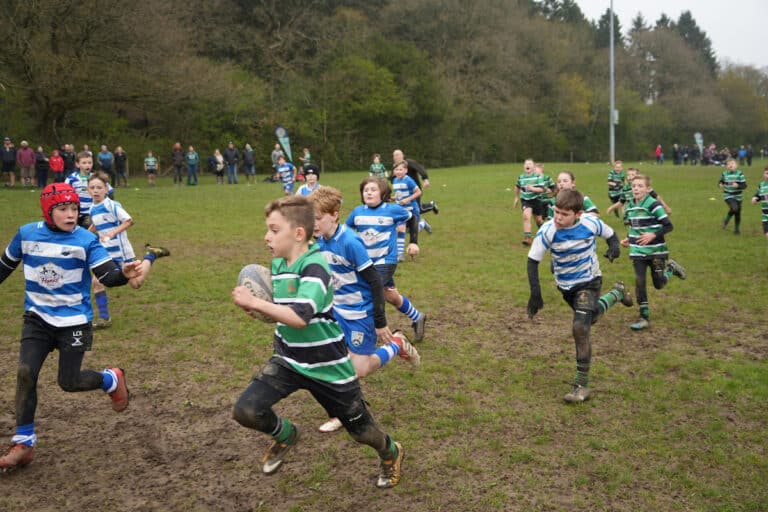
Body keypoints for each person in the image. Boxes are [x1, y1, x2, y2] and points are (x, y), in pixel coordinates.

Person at [230, 195, 405, 489]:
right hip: (288, 360)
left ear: (298, 233)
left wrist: (258, 305)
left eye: (274, 230)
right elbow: (283, 312)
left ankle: (391, 451)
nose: (266, 237)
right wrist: (257, 308)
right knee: (246, 410)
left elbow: (300, 316)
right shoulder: (277, 264)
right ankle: (286, 435)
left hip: (329, 367)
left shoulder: (316, 267)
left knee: (362, 432)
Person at [0, 183, 140, 471]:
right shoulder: (26, 235)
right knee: (25, 374)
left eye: (75, 208)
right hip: (36, 318)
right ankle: (24, 442)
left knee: (69, 382)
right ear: (48, 211)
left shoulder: (85, 241)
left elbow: (108, 275)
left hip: (74, 321)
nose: (71, 215)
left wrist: (123, 274)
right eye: (63, 209)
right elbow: (3, 268)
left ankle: (110, 380)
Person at [310, 186, 420, 433]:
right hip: (336, 312)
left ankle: (397, 345)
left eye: (317, 218)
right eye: (311, 218)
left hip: (361, 314)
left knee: (359, 369)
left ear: (335, 214)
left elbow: (374, 282)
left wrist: (380, 321)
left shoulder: (350, 242)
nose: (313, 223)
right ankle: (339, 412)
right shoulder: (319, 241)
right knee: (328, 361)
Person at [526, 189, 632, 403]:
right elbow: (532, 261)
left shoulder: (590, 223)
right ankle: (617, 293)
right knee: (590, 317)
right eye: (556, 212)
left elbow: (610, 234)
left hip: (589, 281)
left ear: (578, 214)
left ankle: (581, 385)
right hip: (566, 287)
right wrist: (535, 294)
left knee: (580, 327)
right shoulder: (548, 230)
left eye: (564, 214)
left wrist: (614, 248)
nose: (558, 217)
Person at [346, 177, 427, 342]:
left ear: (383, 193)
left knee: (369, 291)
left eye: (373, 189)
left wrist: (413, 242)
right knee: (390, 296)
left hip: (386, 260)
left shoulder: (392, 210)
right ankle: (417, 317)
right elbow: (346, 231)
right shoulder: (357, 212)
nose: (368, 192)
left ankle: (368, 333)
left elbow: (413, 218)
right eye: (365, 190)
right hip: (366, 263)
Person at [87, 172, 170, 328]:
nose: (96, 191)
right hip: (106, 254)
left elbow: (129, 221)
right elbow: (96, 225)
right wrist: (84, 235)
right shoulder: (92, 208)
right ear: (88, 190)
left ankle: (151, 255)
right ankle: (105, 319)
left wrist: (113, 232)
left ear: (106, 189)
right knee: (97, 281)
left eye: (99, 187)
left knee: (136, 284)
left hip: (122, 251)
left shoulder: (112, 205)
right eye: (92, 188)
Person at [621, 174, 686, 331]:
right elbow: (634, 227)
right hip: (637, 251)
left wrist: (653, 235)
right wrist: (629, 238)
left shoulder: (653, 205)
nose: (636, 188)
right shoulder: (629, 206)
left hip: (656, 251)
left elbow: (668, 226)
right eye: (634, 185)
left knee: (659, 283)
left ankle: (670, 269)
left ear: (648, 189)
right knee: (639, 281)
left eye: (640, 186)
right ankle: (644, 316)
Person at [607, 167, 672, 218]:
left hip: (646, 212)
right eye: (628, 175)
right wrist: (611, 208)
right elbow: (621, 202)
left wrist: (666, 207)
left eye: (632, 174)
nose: (630, 176)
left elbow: (656, 197)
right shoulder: (625, 188)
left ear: (637, 176)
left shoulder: (643, 187)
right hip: (634, 215)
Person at [392, 160, 422, 260]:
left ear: (406, 170)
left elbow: (418, 192)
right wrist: (393, 198)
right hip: (401, 210)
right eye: (396, 169)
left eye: (401, 169)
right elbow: (398, 194)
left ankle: (422, 224)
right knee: (401, 229)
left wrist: (407, 199)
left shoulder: (408, 180)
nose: (398, 172)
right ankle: (400, 254)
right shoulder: (395, 180)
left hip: (412, 209)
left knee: (415, 230)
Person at [513, 159, 543, 245]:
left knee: (538, 220)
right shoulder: (521, 177)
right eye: (526, 164)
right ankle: (527, 238)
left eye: (530, 164)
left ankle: (544, 232)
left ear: (533, 167)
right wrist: (516, 198)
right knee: (526, 216)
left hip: (536, 200)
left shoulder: (538, 177)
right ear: (524, 167)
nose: (527, 165)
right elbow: (517, 187)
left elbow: (542, 189)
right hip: (526, 200)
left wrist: (533, 189)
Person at [65, 151, 96, 227]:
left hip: (90, 211)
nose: (87, 165)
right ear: (77, 164)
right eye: (84, 163)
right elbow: (65, 193)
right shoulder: (71, 178)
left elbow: (108, 190)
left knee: (88, 228)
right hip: (75, 211)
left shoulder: (95, 177)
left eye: (89, 162)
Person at [718, 158, 748, 234]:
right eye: (728, 164)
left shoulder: (740, 174)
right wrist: (720, 184)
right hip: (728, 195)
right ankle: (726, 221)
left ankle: (736, 229)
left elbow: (744, 185)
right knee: (734, 208)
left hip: (738, 197)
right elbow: (721, 181)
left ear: (736, 165)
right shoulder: (724, 173)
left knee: (737, 213)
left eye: (732, 164)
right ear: (726, 166)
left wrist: (738, 185)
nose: (730, 165)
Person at [751, 165, 768, 240]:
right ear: (763, 174)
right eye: (767, 173)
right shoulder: (761, 185)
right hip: (765, 214)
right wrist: (755, 198)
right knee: (766, 233)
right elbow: (758, 195)